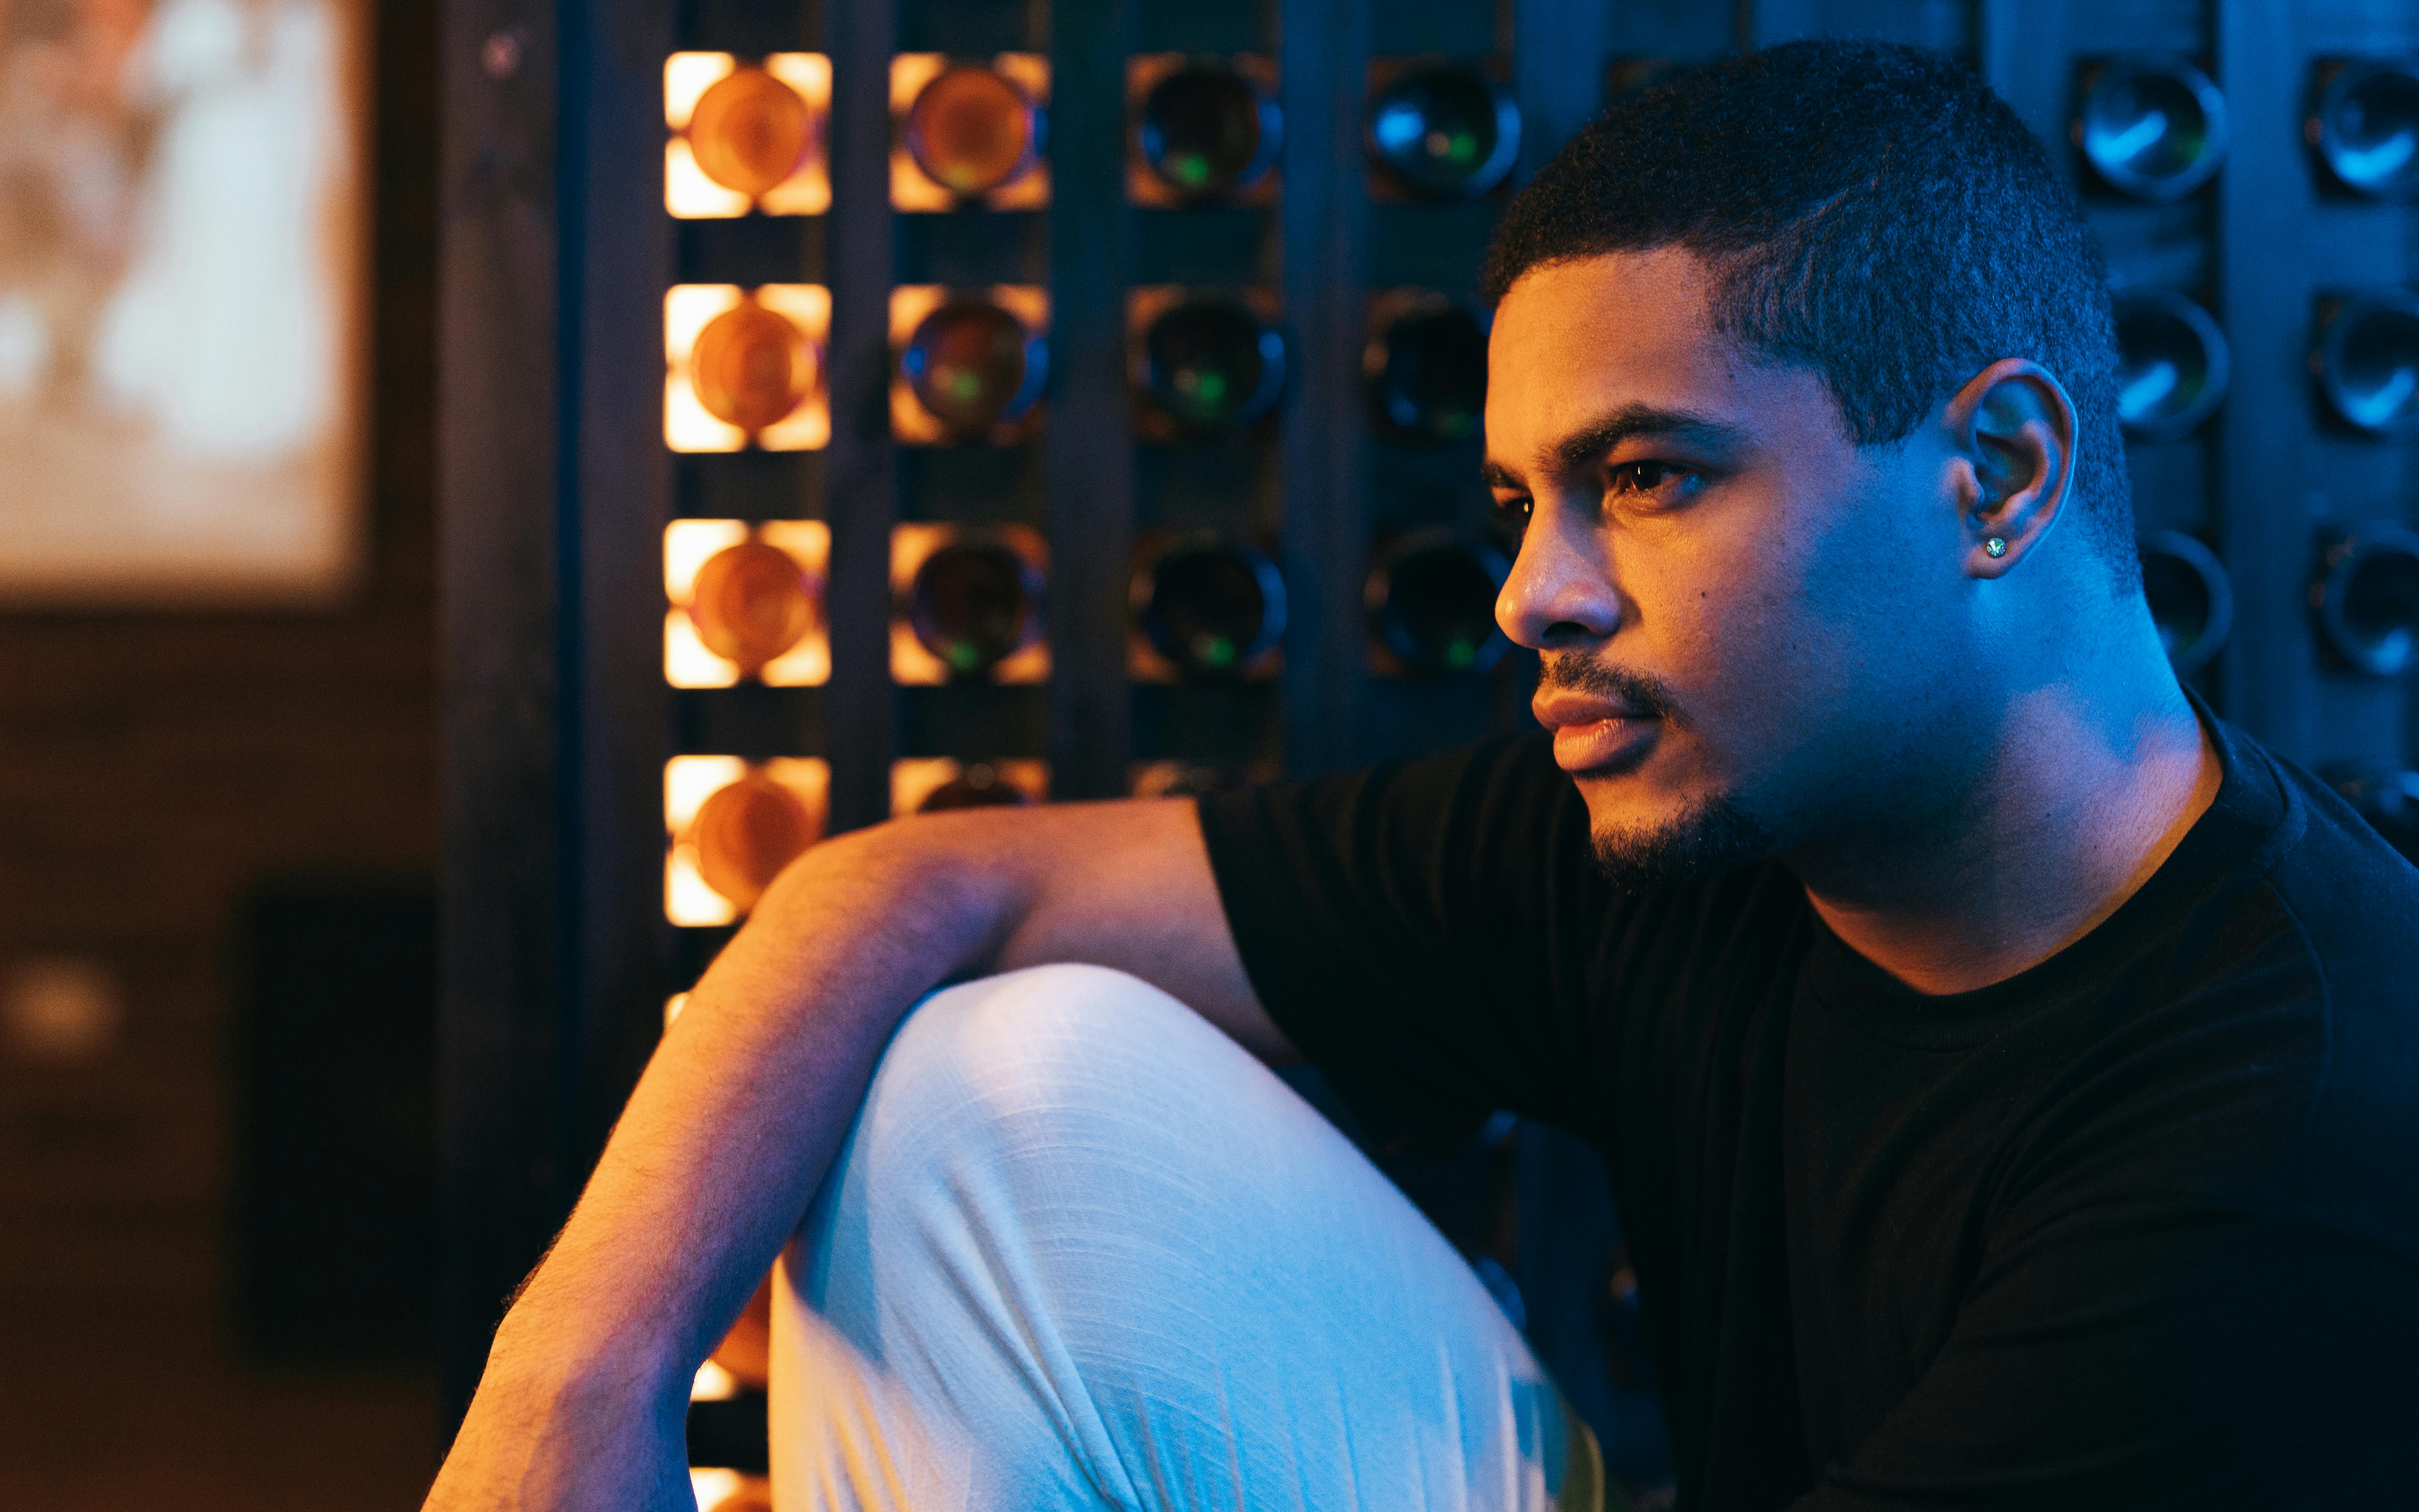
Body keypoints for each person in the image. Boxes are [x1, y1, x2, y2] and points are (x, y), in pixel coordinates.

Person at [425, 41, 2419, 1512]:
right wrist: (576, 1375)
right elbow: (914, 888)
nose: (1537, 596)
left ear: (1993, 474)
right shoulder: (1696, 830)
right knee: (984, 1079)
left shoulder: (2301, 1117)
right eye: (1514, 501)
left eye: (1647, 476)